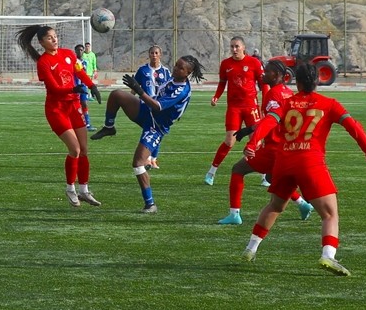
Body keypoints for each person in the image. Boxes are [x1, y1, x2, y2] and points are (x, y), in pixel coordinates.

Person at [241, 62, 366, 276]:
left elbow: (269, 121)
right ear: (317, 82)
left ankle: (250, 249)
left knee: (275, 206)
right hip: (310, 162)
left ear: (296, 82)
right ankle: (328, 255)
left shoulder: (287, 103)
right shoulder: (329, 104)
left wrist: (252, 144)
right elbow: (353, 125)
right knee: (330, 214)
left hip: (284, 162)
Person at [91, 54, 206, 213]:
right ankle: (109, 127)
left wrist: (139, 90)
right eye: (176, 65)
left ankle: (150, 204)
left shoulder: (181, 89)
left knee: (138, 163)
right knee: (117, 94)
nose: (175, 69)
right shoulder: (172, 78)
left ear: (188, 73)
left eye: (180, 68)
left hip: (156, 126)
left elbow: (158, 106)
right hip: (147, 111)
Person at [217, 59, 314, 225]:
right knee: (272, 177)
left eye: (267, 71)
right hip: (288, 147)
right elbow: (275, 118)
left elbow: (271, 122)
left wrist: (253, 142)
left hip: (274, 148)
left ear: (275, 75)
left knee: (238, 169)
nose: (263, 74)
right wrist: (249, 129)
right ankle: (303, 204)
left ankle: (234, 214)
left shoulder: (273, 94)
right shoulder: (288, 92)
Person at [16, 25, 102, 207]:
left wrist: (92, 86)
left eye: (55, 36)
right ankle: (70, 188)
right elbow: (54, 88)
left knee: (84, 150)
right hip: (57, 110)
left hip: (74, 107)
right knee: (75, 149)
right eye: (49, 38)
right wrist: (73, 89)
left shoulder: (68, 54)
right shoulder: (43, 62)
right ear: (42, 43)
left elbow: (79, 71)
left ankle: (84, 190)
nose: (54, 39)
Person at [204, 36, 267, 185]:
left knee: (256, 141)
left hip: (251, 107)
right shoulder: (226, 64)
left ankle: (264, 176)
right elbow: (222, 83)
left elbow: (264, 84)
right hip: (234, 108)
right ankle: (211, 172)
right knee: (229, 141)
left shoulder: (254, 62)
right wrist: (216, 96)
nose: (234, 49)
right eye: (232, 46)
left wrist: (265, 104)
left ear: (243, 47)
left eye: (237, 46)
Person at [132, 45, 172, 169]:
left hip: (160, 107)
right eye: (152, 53)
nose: (154, 55)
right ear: (149, 55)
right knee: (150, 130)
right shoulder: (143, 70)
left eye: (156, 53)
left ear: (160, 55)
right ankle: (148, 159)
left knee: (159, 133)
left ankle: (153, 159)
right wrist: (130, 99)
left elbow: (170, 90)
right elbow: (135, 87)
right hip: (146, 106)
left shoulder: (165, 72)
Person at [73, 44, 95, 132]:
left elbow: (84, 74)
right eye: (78, 50)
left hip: (83, 86)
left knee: (84, 104)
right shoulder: (73, 62)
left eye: (81, 50)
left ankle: (87, 123)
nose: (80, 51)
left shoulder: (84, 62)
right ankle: (75, 123)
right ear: (75, 51)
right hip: (75, 86)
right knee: (75, 105)